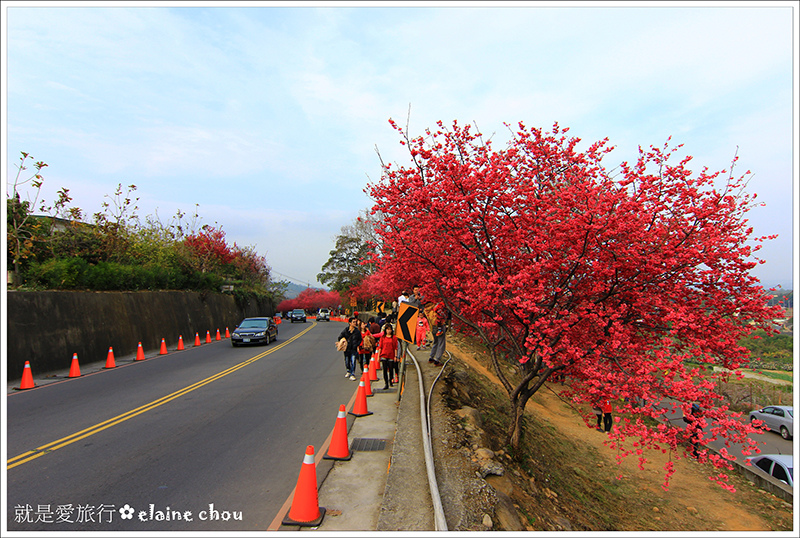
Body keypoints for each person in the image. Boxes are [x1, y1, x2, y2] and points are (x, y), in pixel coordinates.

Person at [376, 323, 399, 390]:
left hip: (391, 355)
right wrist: (378, 356)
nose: (389, 331)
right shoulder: (383, 337)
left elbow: (395, 347)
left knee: (391, 369)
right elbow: (380, 347)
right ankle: (386, 383)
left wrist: (395, 356)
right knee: (385, 370)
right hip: (384, 355)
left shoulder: (394, 338)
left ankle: (391, 380)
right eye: (387, 329)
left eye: (390, 329)